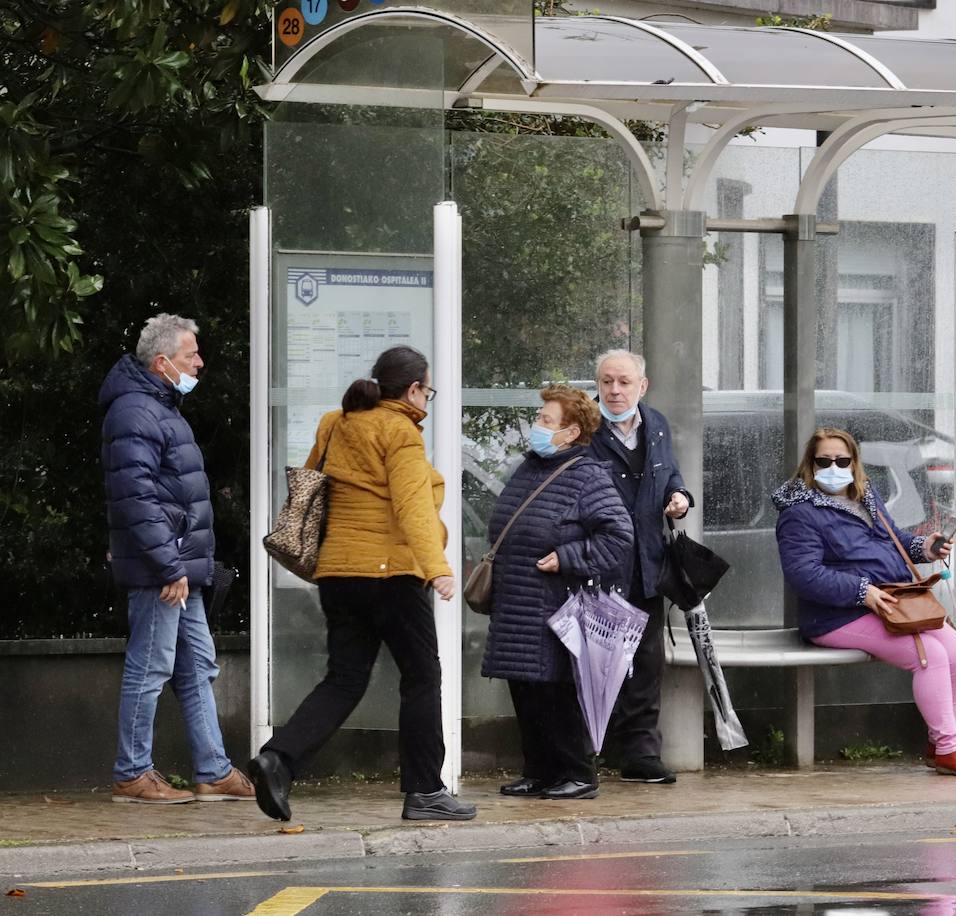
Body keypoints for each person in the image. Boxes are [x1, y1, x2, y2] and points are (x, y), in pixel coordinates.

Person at [248, 345, 475, 823]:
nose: (427, 402)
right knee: (422, 677)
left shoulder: (336, 423)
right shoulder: (400, 433)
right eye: (427, 392)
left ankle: (279, 759)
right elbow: (412, 508)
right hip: (390, 574)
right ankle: (425, 791)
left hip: (337, 573)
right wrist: (438, 568)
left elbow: (312, 486)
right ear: (413, 390)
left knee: (345, 678)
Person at [773, 428, 956, 777]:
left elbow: (893, 540)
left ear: (854, 463)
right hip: (837, 616)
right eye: (824, 461)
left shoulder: (866, 496)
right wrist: (863, 592)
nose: (834, 467)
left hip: (891, 601)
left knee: (953, 647)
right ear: (810, 465)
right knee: (930, 655)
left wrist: (924, 547)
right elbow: (804, 575)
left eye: (842, 460)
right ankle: (951, 746)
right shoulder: (799, 513)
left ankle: (941, 744)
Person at [100, 313, 254, 804]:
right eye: (191, 354)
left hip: (178, 566)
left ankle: (213, 769)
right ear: (163, 362)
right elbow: (136, 497)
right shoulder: (135, 411)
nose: (199, 362)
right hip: (162, 570)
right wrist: (168, 566)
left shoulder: (158, 407)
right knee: (150, 668)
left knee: (197, 667)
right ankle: (132, 772)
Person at [483, 384, 634, 801]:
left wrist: (567, 557)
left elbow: (619, 537)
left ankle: (577, 773)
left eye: (546, 421)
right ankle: (539, 770)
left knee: (556, 689)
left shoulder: (588, 476)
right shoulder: (530, 467)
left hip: (553, 601)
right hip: (517, 596)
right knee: (526, 687)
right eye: (539, 419)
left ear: (570, 433)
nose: (537, 426)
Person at [588, 349, 692, 785]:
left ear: (641, 386)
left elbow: (669, 476)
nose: (614, 390)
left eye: (623, 382)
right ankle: (580, 753)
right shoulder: (585, 429)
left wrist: (681, 497)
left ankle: (641, 754)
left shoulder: (657, 424)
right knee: (592, 662)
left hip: (647, 564)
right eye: (607, 381)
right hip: (597, 563)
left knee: (646, 665)